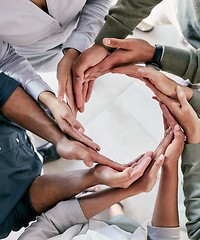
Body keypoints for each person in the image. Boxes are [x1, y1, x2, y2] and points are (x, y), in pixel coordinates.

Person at [0, 73, 147, 238]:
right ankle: (116, 207)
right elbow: (23, 205)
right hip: (20, 160)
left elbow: (2, 87)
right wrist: (94, 176)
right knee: (123, 223)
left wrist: (59, 138)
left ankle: (41, 153)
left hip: (17, 141)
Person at [18, 107, 185, 240]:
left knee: (118, 220)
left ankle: (113, 204)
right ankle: (117, 207)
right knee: (122, 221)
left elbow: (53, 222)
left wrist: (127, 187)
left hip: (87, 228)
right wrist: (169, 165)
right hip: (128, 233)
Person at [113, 64, 200, 239]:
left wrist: (192, 138)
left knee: (179, 202)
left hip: (195, 193)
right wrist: (186, 95)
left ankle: (116, 209)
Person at [67, 0, 200, 112]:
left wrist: (156, 54)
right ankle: (145, 24)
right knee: (148, 19)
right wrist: (110, 35)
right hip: (180, 7)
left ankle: (192, 79)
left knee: (196, 72)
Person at [0, 0, 112, 157]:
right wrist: (49, 99)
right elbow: (5, 60)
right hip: (32, 56)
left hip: (87, 28)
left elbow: (99, 1)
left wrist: (76, 49)